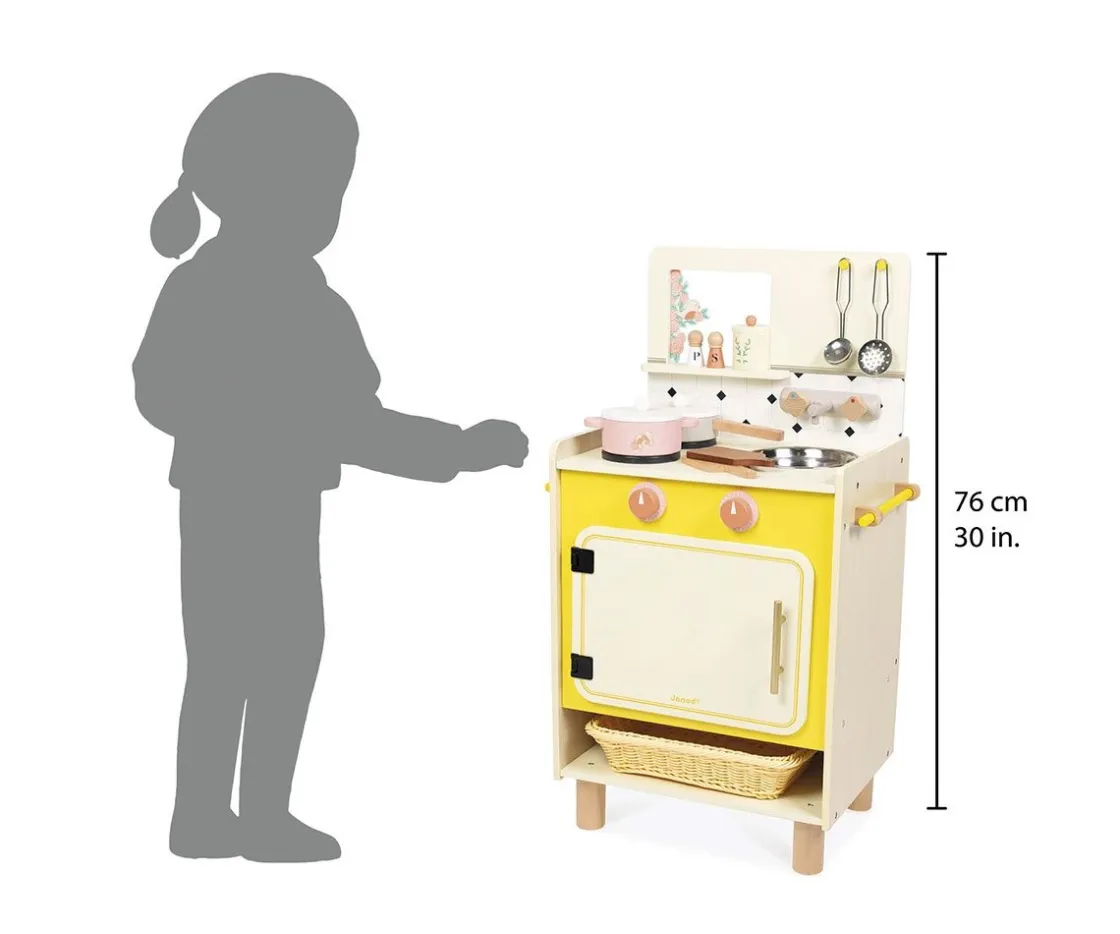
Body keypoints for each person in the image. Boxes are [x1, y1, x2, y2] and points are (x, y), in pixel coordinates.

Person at [133, 73, 527, 862]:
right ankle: (260, 820)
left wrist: (232, 422)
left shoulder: (196, 284)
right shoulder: (308, 305)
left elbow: (157, 391)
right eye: (327, 187)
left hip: (211, 503)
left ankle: (203, 819)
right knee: (283, 658)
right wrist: (462, 449)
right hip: (275, 509)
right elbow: (356, 425)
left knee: (218, 664)